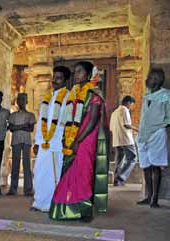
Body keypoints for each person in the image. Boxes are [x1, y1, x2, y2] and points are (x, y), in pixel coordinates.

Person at [49, 61, 108, 222]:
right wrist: (65, 138)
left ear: (89, 75)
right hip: (71, 139)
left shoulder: (94, 95)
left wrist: (77, 140)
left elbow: (93, 121)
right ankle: (67, 207)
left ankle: (85, 209)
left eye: (80, 72)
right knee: (69, 174)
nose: (76, 75)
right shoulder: (73, 95)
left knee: (83, 174)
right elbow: (68, 119)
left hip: (86, 139)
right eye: (75, 72)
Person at [137, 68, 170, 208]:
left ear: (156, 79)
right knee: (145, 166)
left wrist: (158, 128)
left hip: (157, 134)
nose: (146, 80)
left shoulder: (167, 96)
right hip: (143, 134)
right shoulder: (147, 94)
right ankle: (148, 196)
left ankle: (155, 198)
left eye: (149, 77)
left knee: (156, 166)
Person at [32, 66, 71, 211]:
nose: (55, 80)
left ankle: (50, 205)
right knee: (39, 172)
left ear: (65, 80)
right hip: (43, 142)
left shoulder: (68, 97)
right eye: (54, 77)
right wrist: (37, 141)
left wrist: (64, 140)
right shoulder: (47, 97)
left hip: (56, 143)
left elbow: (67, 121)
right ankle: (38, 202)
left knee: (53, 174)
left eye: (59, 78)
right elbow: (41, 120)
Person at [7, 93, 36, 196]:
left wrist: (18, 127)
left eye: (23, 100)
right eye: (19, 100)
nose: (21, 102)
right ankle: (13, 189)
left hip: (27, 141)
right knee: (15, 164)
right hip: (15, 141)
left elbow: (30, 129)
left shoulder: (31, 115)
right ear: (17, 101)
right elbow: (11, 128)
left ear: (26, 101)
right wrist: (24, 125)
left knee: (27, 164)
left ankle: (28, 189)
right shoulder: (13, 115)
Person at [109, 95, 138, 186]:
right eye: (131, 104)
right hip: (126, 139)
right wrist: (137, 129)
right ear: (128, 102)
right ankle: (121, 177)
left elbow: (111, 128)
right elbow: (126, 125)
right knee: (133, 158)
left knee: (120, 160)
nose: (130, 107)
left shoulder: (114, 112)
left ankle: (116, 181)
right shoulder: (124, 109)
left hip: (117, 139)